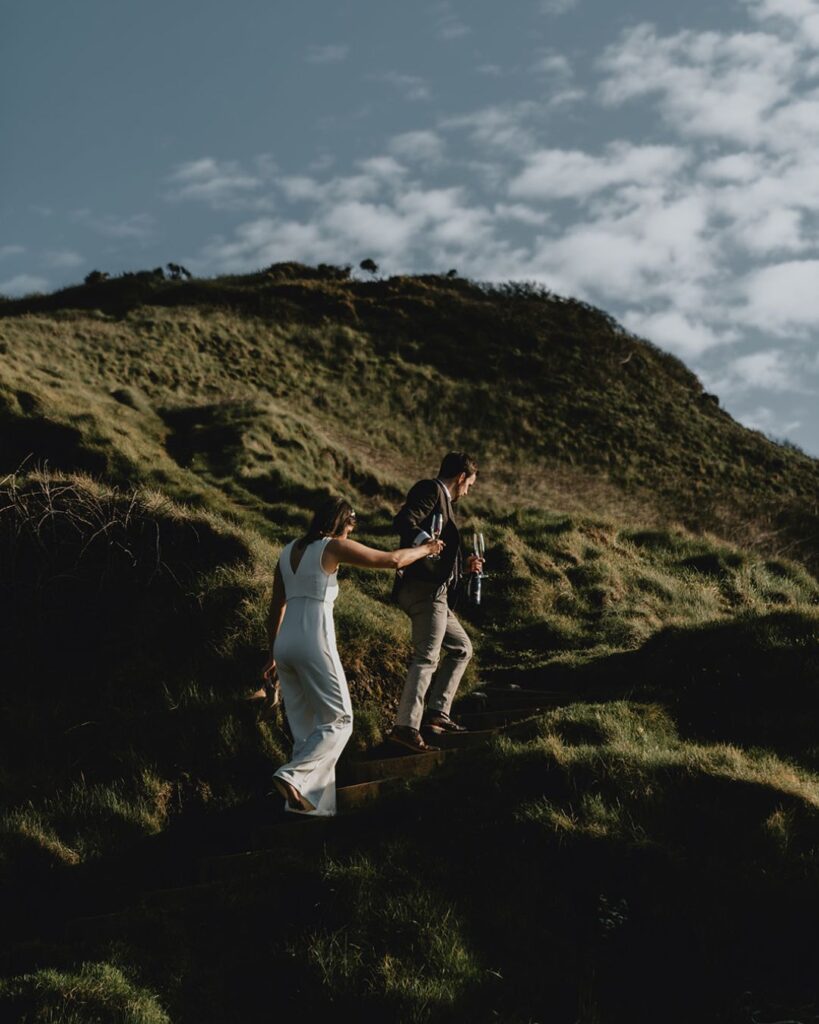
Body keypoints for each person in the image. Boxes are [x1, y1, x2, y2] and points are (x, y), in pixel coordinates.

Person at [261, 497, 444, 815]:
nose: (349, 534)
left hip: (285, 644)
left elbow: (277, 605)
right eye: (349, 527)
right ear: (340, 522)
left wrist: (271, 652)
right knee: (341, 720)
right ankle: (292, 776)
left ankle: (308, 809)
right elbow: (392, 560)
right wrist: (427, 549)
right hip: (312, 636)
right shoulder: (330, 547)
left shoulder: (287, 550)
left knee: (307, 732)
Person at [389, 451, 483, 753]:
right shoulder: (430, 490)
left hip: (439, 594)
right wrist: (424, 545)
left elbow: (440, 553)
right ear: (460, 478)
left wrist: (463, 567)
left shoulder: (444, 505)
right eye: (469, 484)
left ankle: (436, 713)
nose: (468, 491)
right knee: (427, 657)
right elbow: (404, 520)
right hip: (424, 590)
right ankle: (406, 727)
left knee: (462, 648)